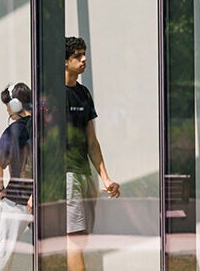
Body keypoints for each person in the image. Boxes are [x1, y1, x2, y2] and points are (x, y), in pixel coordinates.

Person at [65, 36, 120, 271]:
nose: (84, 59)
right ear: (65, 61)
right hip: (64, 175)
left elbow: (92, 142)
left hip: (84, 172)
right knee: (74, 237)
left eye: (84, 54)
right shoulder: (51, 94)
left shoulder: (84, 93)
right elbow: (39, 141)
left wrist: (105, 178)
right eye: (77, 55)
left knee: (82, 236)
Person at [0, 82, 33, 271]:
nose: (7, 108)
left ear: (16, 105)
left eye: (8, 103)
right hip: (41, 200)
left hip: (17, 201)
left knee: (4, 251)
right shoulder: (43, 128)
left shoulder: (12, 131)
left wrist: (0, 189)